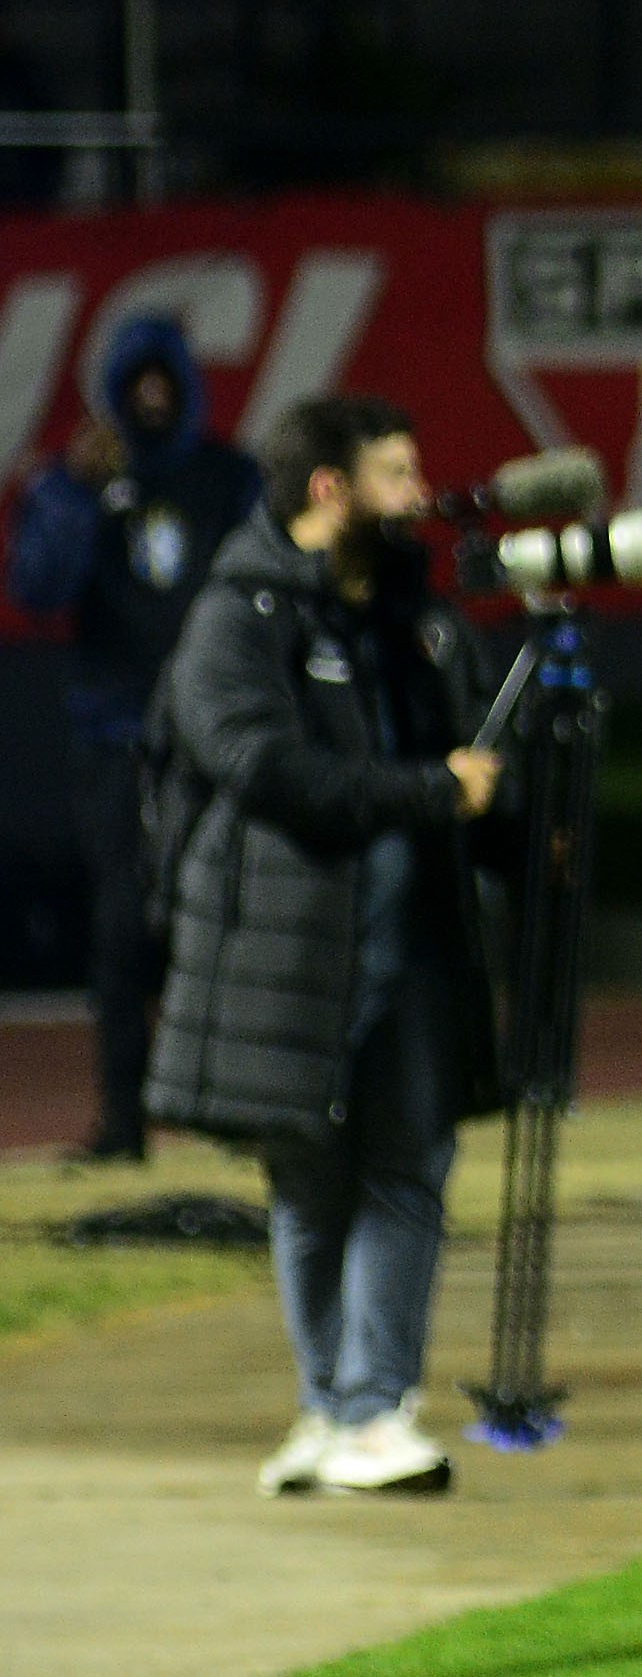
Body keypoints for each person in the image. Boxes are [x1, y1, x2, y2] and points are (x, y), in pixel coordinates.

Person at [147, 395, 508, 1500]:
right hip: (282, 947)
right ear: (329, 489)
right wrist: (430, 789)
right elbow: (263, 768)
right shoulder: (236, 616)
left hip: (409, 948)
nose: (421, 496)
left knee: (405, 1165)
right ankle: (344, 1408)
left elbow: (482, 741)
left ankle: (362, 1405)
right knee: (308, 1177)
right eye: (398, 475)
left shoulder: (417, 616)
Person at [8, 313, 264, 1161]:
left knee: (224, 924)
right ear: (115, 393)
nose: (152, 399)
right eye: (136, 384)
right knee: (120, 932)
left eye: (165, 382)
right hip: (114, 739)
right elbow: (38, 590)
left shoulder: (230, 478)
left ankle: (233, 1113)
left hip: (211, 739)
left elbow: (271, 588)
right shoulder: (75, 482)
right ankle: (125, 1121)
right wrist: (78, 495)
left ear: (186, 384)